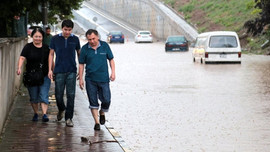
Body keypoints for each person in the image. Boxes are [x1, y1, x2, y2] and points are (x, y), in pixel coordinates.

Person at [79, 29, 115, 130]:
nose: (92, 41)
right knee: (93, 101)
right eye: (89, 39)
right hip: (90, 79)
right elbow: (81, 64)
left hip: (103, 78)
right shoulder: (85, 49)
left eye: (93, 39)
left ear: (98, 37)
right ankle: (97, 122)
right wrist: (80, 79)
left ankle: (102, 112)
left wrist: (113, 72)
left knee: (106, 99)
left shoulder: (105, 46)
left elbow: (111, 59)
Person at [48, 19, 81, 127]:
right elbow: (51, 54)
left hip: (71, 70)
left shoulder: (75, 39)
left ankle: (68, 118)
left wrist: (81, 71)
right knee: (58, 95)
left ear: (72, 30)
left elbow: (79, 54)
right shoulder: (55, 39)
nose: (67, 32)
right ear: (62, 28)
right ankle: (61, 109)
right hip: (59, 71)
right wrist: (50, 69)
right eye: (65, 29)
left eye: (69, 30)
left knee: (71, 95)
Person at [17, 28, 52, 122]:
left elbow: (50, 60)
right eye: (36, 36)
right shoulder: (28, 47)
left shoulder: (46, 48)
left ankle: (44, 114)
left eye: (40, 37)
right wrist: (19, 68)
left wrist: (50, 71)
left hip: (44, 75)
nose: (38, 38)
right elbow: (22, 58)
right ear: (32, 36)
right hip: (31, 76)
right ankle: (36, 113)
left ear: (42, 37)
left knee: (44, 95)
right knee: (34, 97)